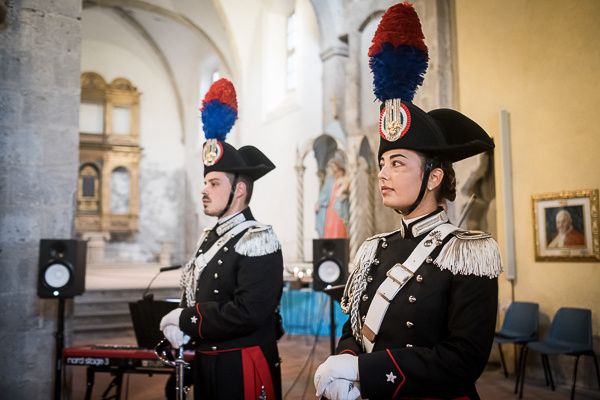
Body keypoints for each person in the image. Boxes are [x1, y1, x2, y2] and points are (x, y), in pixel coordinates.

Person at [314, 3, 502, 399]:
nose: (382, 173)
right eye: (382, 162)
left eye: (397, 163)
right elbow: (355, 330)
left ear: (434, 176)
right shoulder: (375, 249)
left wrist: (364, 370)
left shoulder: (468, 253)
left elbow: (464, 359)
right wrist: (344, 363)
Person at [160, 78, 284, 400]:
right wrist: (185, 331)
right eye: (205, 182)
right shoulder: (210, 237)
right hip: (207, 360)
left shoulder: (258, 238)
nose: (204, 190)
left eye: (214, 183)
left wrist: (185, 318)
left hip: (241, 365)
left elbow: (249, 312)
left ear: (239, 190)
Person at [316, 150, 350, 238]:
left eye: (333, 167)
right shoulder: (330, 180)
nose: (332, 170)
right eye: (330, 167)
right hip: (330, 209)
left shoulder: (345, 179)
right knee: (329, 227)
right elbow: (325, 194)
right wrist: (319, 203)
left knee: (338, 228)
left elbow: (345, 191)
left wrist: (341, 190)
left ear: (338, 168)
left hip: (339, 208)